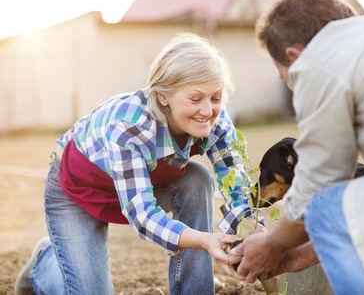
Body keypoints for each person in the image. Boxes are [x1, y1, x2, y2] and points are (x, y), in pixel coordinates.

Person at [224, 0, 364, 294]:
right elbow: (363, 226)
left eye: (285, 78)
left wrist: (272, 245)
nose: (293, 86)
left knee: (323, 206)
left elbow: (320, 186)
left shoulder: (320, 62)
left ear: (295, 56)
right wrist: (289, 257)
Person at [15, 33, 263, 295]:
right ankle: (44, 263)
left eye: (216, 97)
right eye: (195, 98)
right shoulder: (130, 126)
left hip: (137, 184)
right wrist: (204, 240)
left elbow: (234, 183)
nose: (207, 110)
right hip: (75, 190)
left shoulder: (216, 121)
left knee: (197, 178)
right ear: (163, 96)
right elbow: (143, 216)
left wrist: (251, 227)